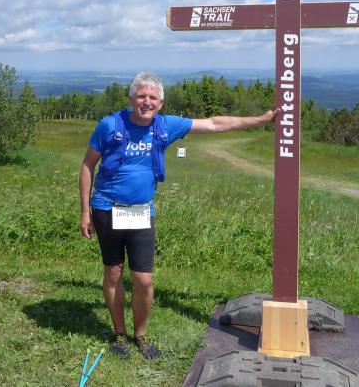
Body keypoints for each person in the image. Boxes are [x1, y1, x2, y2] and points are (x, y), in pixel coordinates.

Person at [79, 71, 276, 359]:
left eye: (153, 97)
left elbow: (213, 124)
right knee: (113, 272)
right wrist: (85, 212)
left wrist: (259, 120)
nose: (146, 102)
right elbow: (87, 166)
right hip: (107, 208)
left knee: (143, 279)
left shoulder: (165, 125)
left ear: (160, 103)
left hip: (141, 212)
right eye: (141, 96)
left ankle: (140, 335)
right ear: (131, 99)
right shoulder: (109, 125)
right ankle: (119, 334)